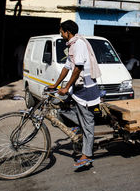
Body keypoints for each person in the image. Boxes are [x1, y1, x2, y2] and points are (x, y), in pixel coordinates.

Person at [49, 20, 101, 169]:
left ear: (67, 32)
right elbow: (67, 67)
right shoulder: (72, 45)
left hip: (86, 89)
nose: (60, 34)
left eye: (61, 31)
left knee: (88, 124)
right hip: (78, 89)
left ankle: (87, 155)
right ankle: (78, 127)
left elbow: (77, 68)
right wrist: (56, 85)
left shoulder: (78, 44)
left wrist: (66, 87)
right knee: (60, 103)